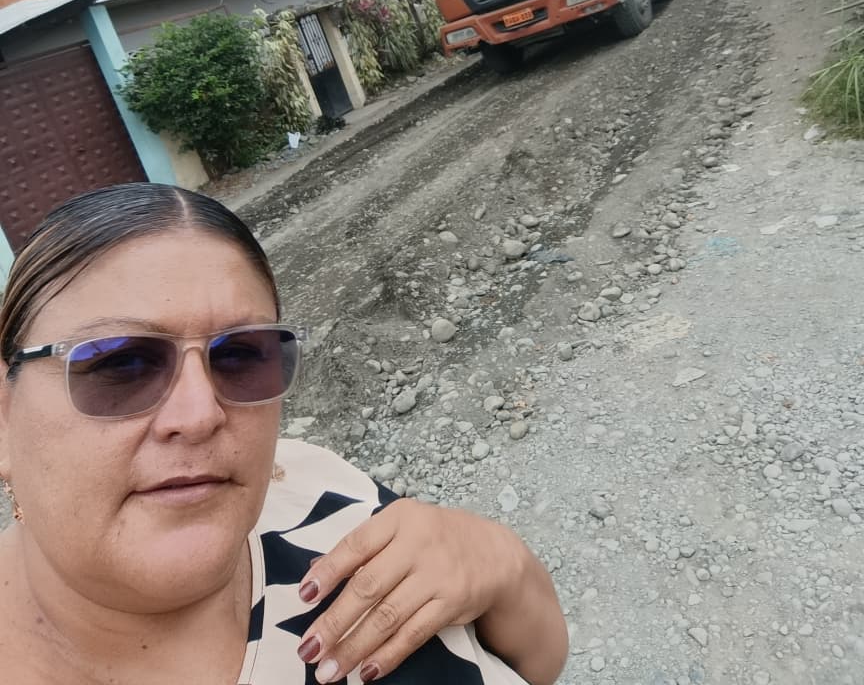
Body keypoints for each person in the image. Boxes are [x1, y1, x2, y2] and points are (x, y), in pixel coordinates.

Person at [0, 183, 569, 685]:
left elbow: (538, 666)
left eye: (239, 354)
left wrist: (502, 564)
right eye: (119, 363)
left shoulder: (316, 491)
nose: (200, 415)